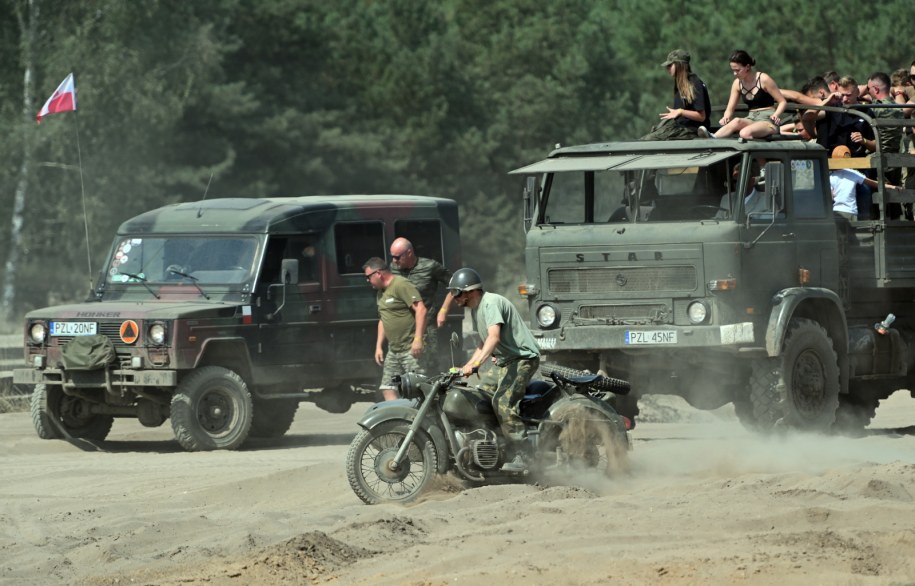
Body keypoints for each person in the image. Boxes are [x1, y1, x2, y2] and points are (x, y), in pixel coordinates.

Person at [450, 268, 541, 473]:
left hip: (522, 359)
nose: (453, 297)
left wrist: (475, 365)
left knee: (502, 402)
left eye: (456, 293)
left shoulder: (490, 303)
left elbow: (494, 338)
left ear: (469, 291)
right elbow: (483, 344)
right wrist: (467, 366)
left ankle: (524, 454)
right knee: (480, 395)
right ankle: (493, 445)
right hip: (506, 360)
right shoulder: (476, 309)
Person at [363, 257, 427, 401]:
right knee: (387, 388)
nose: (367, 280)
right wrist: (379, 346)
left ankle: (425, 420)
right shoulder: (381, 293)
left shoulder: (401, 284)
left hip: (411, 349)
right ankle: (401, 421)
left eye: (368, 277)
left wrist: (418, 339)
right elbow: (383, 320)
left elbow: (421, 310)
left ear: (378, 273)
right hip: (394, 350)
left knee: (419, 389)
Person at [389, 237, 455, 371]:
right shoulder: (393, 269)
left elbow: (455, 285)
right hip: (402, 330)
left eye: (397, 257)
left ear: (409, 253)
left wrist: (444, 309)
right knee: (402, 371)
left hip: (427, 328)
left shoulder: (430, 267)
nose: (394, 261)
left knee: (430, 369)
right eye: (392, 257)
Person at [699, 50, 787, 140]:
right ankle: (713, 138)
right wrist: (726, 117)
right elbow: (729, 109)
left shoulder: (763, 79)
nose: (735, 74)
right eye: (733, 70)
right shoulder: (737, 83)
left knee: (744, 133)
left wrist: (776, 115)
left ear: (747, 67)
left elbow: (782, 102)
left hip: (768, 121)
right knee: (737, 121)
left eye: (737, 70)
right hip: (751, 118)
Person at [640, 49, 711, 140]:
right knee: (644, 139)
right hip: (680, 128)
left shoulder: (694, 82)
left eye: (670, 65)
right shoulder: (680, 83)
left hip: (692, 130)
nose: (667, 68)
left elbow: (701, 117)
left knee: (649, 140)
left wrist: (680, 111)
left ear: (679, 65)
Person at [830, 146, 903, 221]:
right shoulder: (854, 173)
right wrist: (892, 187)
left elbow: (831, 196)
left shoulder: (831, 176)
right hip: (851, 211)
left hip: (836, 212)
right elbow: (874, 183)